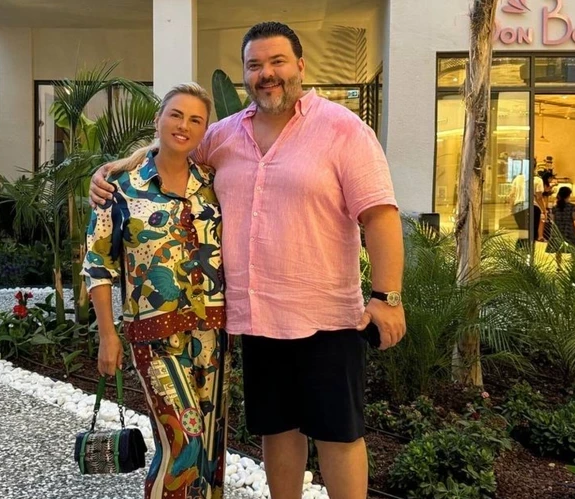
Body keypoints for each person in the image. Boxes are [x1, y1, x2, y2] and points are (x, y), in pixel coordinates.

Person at [90, 22, 406, 499]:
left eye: (277, 61)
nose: (267, 73)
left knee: (339, 435)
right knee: (277, 432)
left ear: (300, 66)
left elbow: (380, 214)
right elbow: (173, 147)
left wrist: (386, 297)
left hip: (327, 318)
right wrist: (114, 170)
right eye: (255, 65)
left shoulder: (342, 129)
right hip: (258, 320)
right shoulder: (223, 135)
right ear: (245, 74)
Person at [82, 83, 230, 499]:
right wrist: (107, 335)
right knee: (184, 444)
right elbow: (98, 264)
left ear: (204, 131)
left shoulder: (214, 183)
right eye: (176, 115)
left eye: (196, 120)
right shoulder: (120, 187)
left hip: (213, 334)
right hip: (154, 338)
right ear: (158, 120)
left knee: (211, 451)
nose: (184, 126)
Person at [546, 186, 575, 270]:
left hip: (557, 229)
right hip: (569, 228)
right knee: (574, 247)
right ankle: (574, 265)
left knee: (558, 248)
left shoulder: (555, 207)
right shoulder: (572, 206)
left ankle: (558, 266)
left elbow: (552, 219)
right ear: (568, 195)